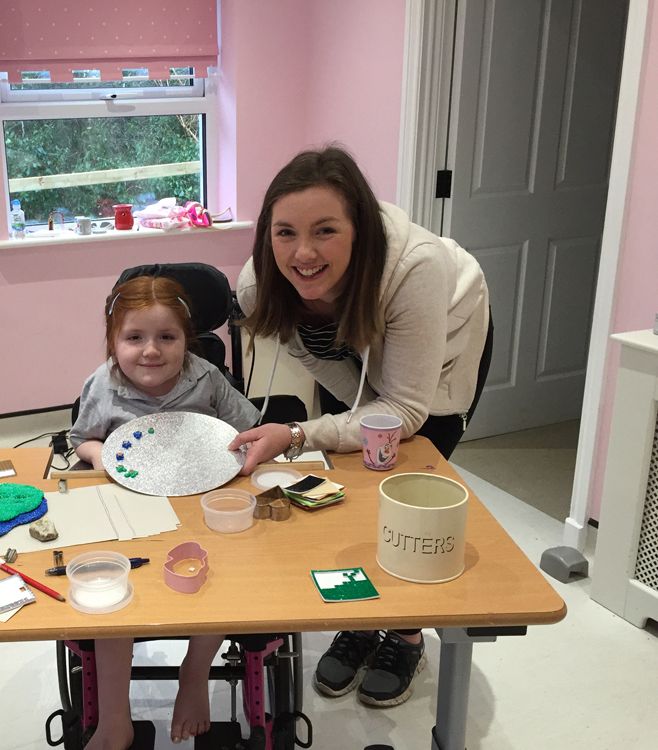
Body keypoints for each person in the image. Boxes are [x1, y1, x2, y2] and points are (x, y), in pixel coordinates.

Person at [228, 146, 492, 708]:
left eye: (325, 231)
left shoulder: (417, 266)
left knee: (405, 485)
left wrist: (299, 433)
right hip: (353, 354)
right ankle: (361, 614)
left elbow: (408, 410)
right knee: (348, 480)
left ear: (360, 229)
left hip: (439, 347)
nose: (302, 253)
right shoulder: (259, 285)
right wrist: (351, 419)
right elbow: (346, 389)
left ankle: (403, 631)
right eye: (285, 233)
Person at [69, 274, 261, 749]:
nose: (151, 351)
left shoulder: (206, 378)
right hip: (130, 510)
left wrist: (236, 454)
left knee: (220, 576)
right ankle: (115, 717)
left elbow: (249, 430)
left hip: (201, 504)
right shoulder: (103, 384)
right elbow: (83, 439)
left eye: (166, 337)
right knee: (113, 593)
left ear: (186, 341)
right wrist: (102, 457)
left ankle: (194, 675)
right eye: (134, 338)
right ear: (114, 342)